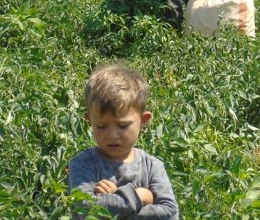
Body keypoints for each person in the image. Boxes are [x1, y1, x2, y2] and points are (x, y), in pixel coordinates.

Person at [69, 62, 179, 219]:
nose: (112, 135)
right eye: (101, 126)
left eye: (122, 125)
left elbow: (169, 213)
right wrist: (141, 196)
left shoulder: (152, 166)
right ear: (89, 121)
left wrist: (115, 199)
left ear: (143, 121)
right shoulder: (83, 164)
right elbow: (87, 210)